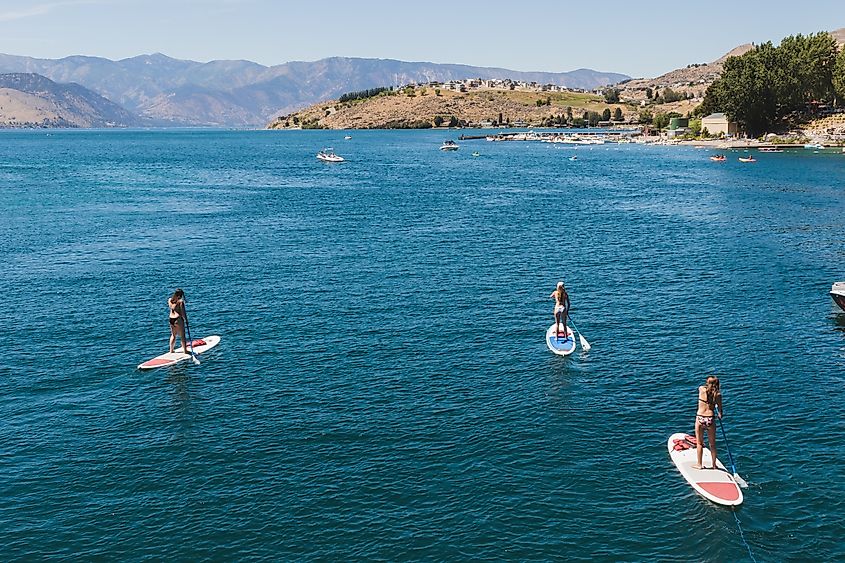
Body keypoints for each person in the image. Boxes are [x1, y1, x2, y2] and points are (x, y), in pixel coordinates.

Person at [692, 376, 723, 470]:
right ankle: (714, 465)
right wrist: (719, 413)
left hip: (700, 418)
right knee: (712, 444)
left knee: (699, 443)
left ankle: (699, 464)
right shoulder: (717, 395)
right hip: (710, 418)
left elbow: (701, 387)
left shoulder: (701, 390)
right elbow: (720, 411)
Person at [168, 288, 189, 355]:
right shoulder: (180, 302)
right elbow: (183, 313)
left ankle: (171, 350)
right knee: (182, 335)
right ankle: (185, 351)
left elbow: (172, 308)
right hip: (178, 319)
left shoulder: (170, 300)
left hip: (171, 319)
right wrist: (186, 320)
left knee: (173, 335)